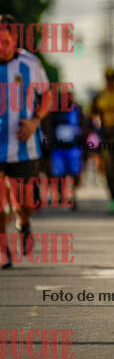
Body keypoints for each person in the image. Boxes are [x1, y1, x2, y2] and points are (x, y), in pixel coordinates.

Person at [0, 14, 52, 269]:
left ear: (14, 40)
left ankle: (23, 222)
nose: (1, 47)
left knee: (24, 204)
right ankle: (2, 250)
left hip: (24, 147)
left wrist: (34, 122)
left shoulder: (30, 63)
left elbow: (46, 97)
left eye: (5, 42)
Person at [91, 68, 114, 213]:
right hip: (105, 136)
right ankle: (113, 197)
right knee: (108, 168)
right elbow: (93, 115)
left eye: (112, 79)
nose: (110, 81)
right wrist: (97, 128)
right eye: (108, 79)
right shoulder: (99, 97)